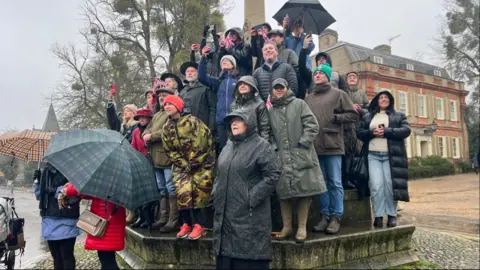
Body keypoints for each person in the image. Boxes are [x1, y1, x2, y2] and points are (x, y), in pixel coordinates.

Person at [213, 109, 280, 270]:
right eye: (232, 120)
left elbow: (273, 174)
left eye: (239, 119)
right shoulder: (228, 146)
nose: (233, 123)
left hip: (249, 216)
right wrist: (216, 192)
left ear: (249, 122)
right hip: (225, 214)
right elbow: (219, 173)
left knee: (246, 258)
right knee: (226, 257)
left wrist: (252, 196)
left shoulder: (261, 146)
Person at [268, 78, 326, 243]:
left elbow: (312, 125)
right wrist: (274, 148)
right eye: (276, 88)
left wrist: (303, 142)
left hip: (301, 154)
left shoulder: (299, 104)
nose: (279, 90)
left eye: (282, 87)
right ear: (273, 90)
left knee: (304, 192)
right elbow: (269, 133)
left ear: (287, 88)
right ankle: (287, 227)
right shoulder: (271, 111)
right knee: (283, 192)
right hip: (281, 156)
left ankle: (301, 227)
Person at [305, 64, 358, 234]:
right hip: (315, 146)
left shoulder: (339, 94)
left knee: (335, 182)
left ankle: (336, 216)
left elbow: (353, 115)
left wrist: (336, 118)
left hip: (333, 144)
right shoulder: (309, 98)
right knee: (322, 184)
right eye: (316, 73)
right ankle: (325, 215)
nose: (318, 75)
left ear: (328, 76)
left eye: (321, 73)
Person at [161, 95, 216, 240]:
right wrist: (183, 163)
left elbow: (203, 143)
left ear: (178, 106)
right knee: (182, 193)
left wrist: (193, 162)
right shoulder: (166, 127)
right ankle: (186, 223)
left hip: (202, 164)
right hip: (182, 166)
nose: (167, 107)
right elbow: (169, 149)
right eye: (165, 105)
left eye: (170, 104)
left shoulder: (193, 121)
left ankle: (200, 225)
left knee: (199, 194)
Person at [357, 90, 411, 228]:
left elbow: (406, 130)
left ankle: (392, 215)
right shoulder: (369, 117)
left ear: (390, 100)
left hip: (390, 156)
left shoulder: (398, 116)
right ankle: (378, 215)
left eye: (386, 97)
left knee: (389, 185)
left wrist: (386, 131)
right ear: (377, 100)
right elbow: (359, 133)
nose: (383, 99)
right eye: (381, 97)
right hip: (373, 155)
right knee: (376, 186)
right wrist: (371, 132)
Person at [63, 183, 126, 270]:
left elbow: (74, 190)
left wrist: (68, 185)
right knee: (109, 258)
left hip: (102, 226)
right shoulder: (122, 184)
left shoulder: (101, 181)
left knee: (107, 261)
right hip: (115, 226)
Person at [143, 86, 179, 232]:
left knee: (171, 187)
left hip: (166, 157)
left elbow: (166, 130)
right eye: (160, 96)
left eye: (164, 95)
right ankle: (163, 217)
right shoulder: (157, 114)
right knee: (162, 188)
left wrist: (151, 136)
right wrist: (146, 134)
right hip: (155, 157)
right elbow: (147, 128)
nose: (161, 98)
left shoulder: (170, 114)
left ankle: (173, 219)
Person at [34, 165, 80, 270]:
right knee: (56, 257)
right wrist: (37, 182)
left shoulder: (73, 171)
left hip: (67, 218)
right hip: (49, 219)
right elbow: (39, 196)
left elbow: (77, 192)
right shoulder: (46, 171)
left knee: (66, 256)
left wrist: (56, 191)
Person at [199, 53, 239, 153]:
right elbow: (201, 77)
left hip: (236, 119)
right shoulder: (218, 81)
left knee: (237, 149)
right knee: (224, 150)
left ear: (233, 65)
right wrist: (203, 58)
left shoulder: (239, 80)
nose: (224, 62)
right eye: (222, 61)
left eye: (227, 60)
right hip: (221, 122)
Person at [341, 71, 370, 190]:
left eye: (354, 77)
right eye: (350, 77)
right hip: (346, 126)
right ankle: (346, 178)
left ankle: (355, 178)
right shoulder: (342, 91)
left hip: (358, 126)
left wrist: (361, 109)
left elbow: (368, 110)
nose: (352, 79)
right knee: (346, 153)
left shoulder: (361, 93)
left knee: (356, 154)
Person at [129, 108, 156, 229]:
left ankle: (149, 218)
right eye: (139, 118)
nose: (141, 120)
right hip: (139, 162)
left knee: (150, 192)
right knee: (140, 191)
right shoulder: (135, 131)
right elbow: (133, 147)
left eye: (143, 117)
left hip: (151, 161)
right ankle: (142, 217)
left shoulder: (152, 129)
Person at [178, 61, 217, 134]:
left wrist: (211, 128)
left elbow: (213, 108)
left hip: (203, 129)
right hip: (186, 130)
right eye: (187, 71)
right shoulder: (182, 92)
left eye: (192, 71)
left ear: (198, 73)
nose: (189, 73)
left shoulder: (205, 88)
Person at [229, 76, 271, 141]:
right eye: (239, 84)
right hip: (239, 143)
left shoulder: (259, 104)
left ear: (252, 86)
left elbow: (264, 127)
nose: (242, 86)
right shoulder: (233, 105)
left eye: (245, 84)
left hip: (255, 142)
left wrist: (263, 146)